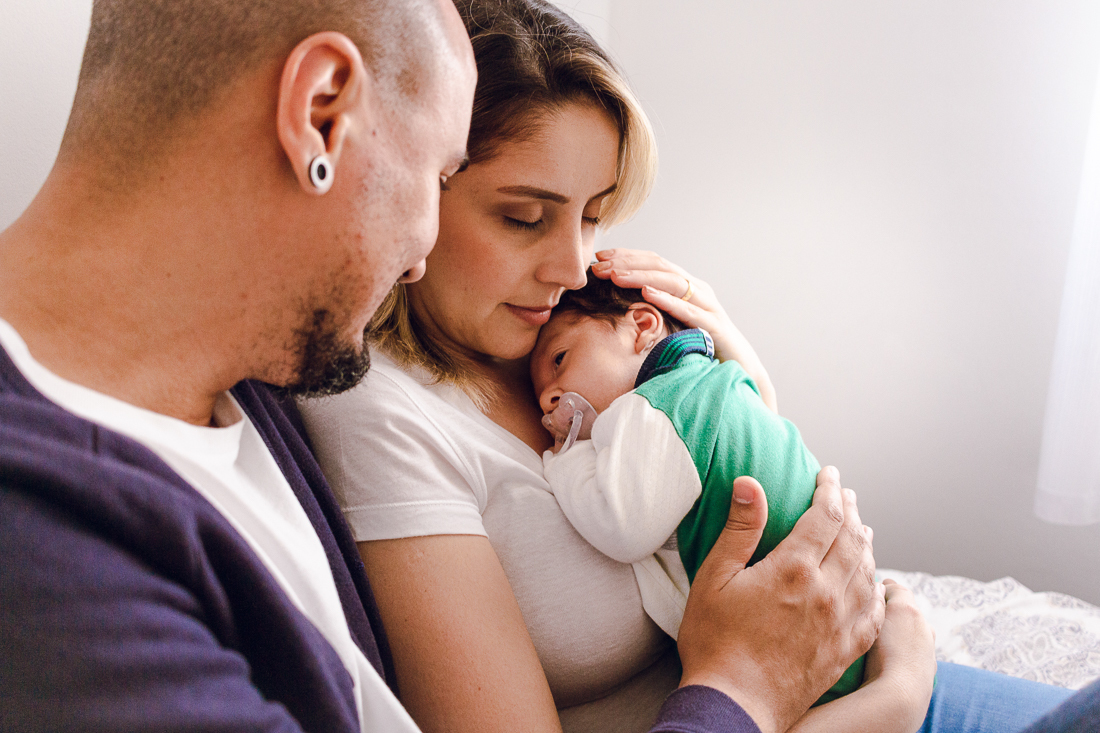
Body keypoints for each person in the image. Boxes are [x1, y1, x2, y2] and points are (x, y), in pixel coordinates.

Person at [0, 0, 886, 732]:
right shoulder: (47, 548)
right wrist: (750, 691)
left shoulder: (242, 377)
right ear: (319, 112)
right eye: (434, 173)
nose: (421, 253)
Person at [298, 2, 1080, 733]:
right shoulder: (380, 415)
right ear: (418, 187)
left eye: (595, 211)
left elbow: (726, 484)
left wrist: (739, 372)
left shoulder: (570, 325)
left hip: (851, 677)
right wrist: (893, 700)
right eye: (523, 217)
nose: (573, 264)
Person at [530, 273, 865, 706]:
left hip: (812, 665)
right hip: (842, 627)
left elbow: (622, 524)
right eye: (539, 393)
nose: (547, 399)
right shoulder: (718, 380)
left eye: (559, 359)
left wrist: (565, 456)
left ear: (644, 327)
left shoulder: (655, 404)